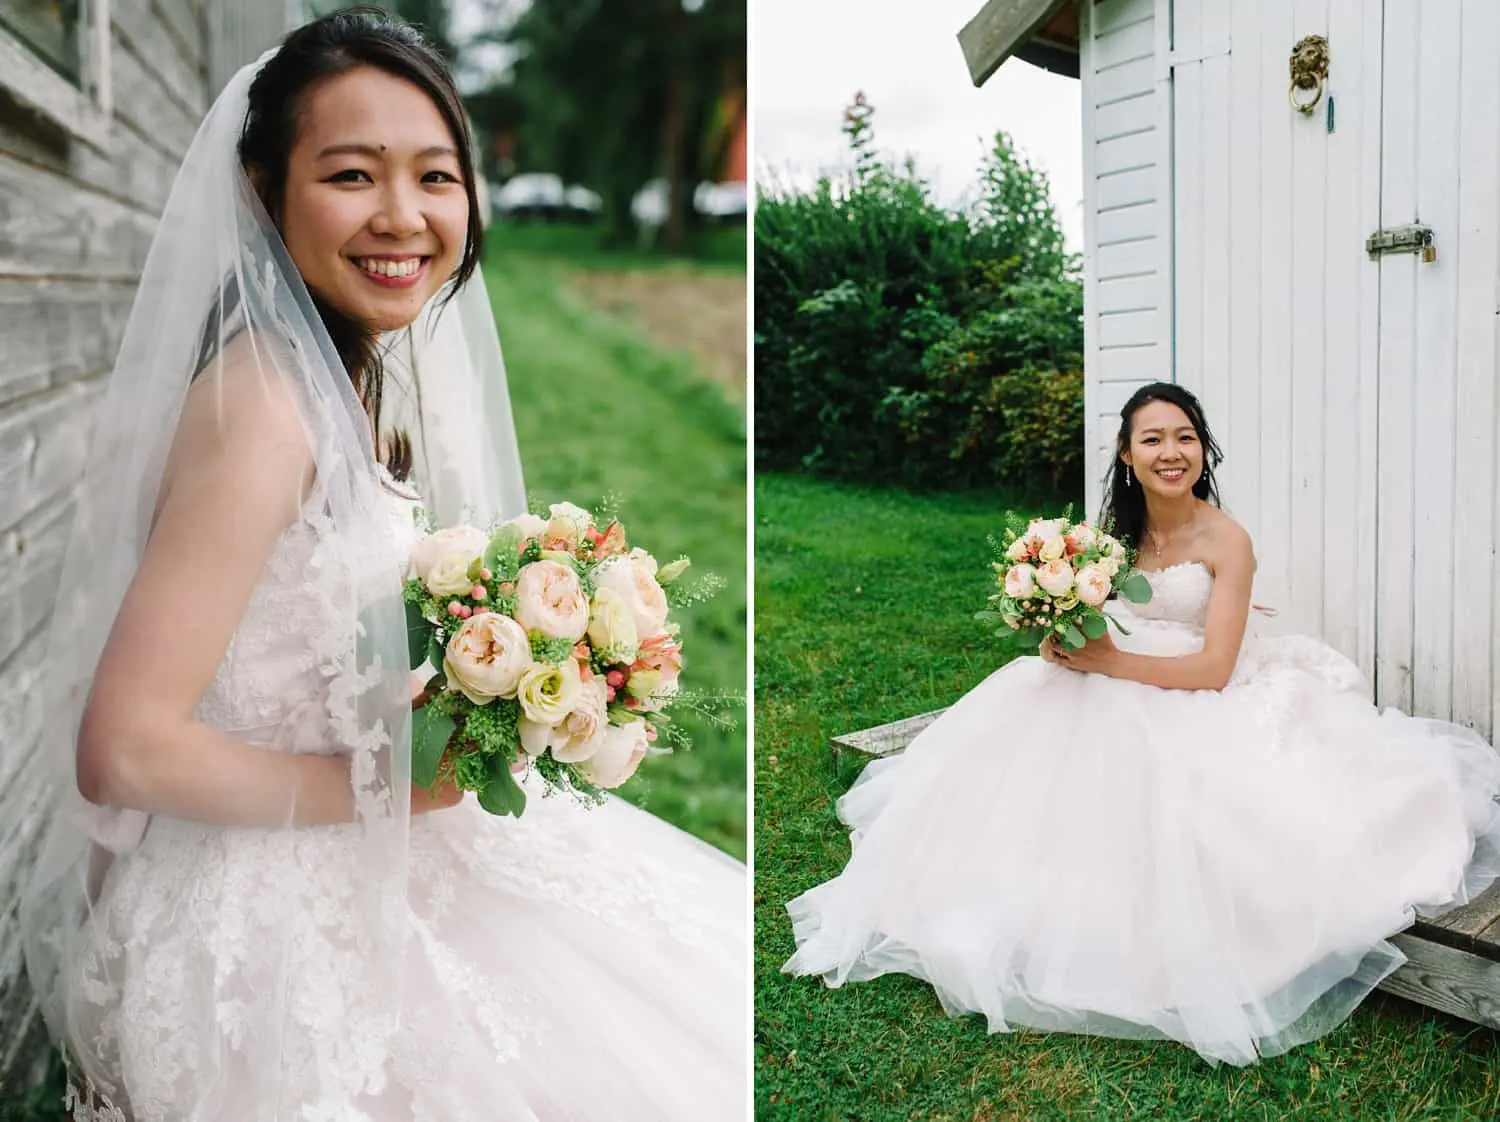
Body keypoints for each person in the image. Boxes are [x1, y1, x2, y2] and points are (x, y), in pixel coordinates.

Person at [19, 9, 745, 1119]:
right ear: (264, 192)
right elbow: (123, 749)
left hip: (358, 823)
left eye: (437, 177)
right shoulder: (265, 405)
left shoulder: (330, 366)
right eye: (352, 175)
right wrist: (399, 791)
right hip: (274, 891)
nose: (403, 217)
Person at [783, 381, 1500, 1066]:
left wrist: (1106, 664)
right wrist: (1059, 633)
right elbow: (1100, 620)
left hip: (1200, 691)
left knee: (1203, 793)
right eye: (1152, 439)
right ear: (1126, 455)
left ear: (1203, 452)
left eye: (1185, 438)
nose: (1171, 452)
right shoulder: (1106, 540)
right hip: (1111, 675)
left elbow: (1216, 669)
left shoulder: (1227, 541)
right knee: (1035, 730)